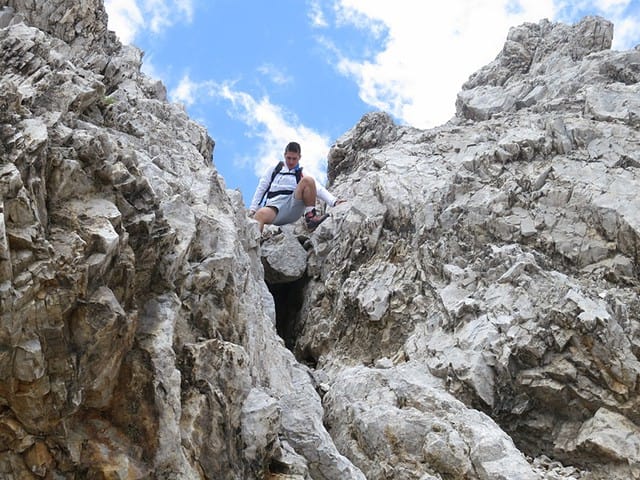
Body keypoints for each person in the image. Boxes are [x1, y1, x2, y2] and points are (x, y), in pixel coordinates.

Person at [249, 142, 345, 232]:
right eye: (288, 158)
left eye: (294, 159)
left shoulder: (300, 172)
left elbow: (318, 188)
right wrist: (253, 209)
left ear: (299, 157)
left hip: (292, 207)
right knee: (260, 215)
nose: (291, 162)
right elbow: (261, 188)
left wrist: (334, 201)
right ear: (284, 155)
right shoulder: (274, 169)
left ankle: (311, 218)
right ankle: (254, 246)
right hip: (274, 208)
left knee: (308, 180)